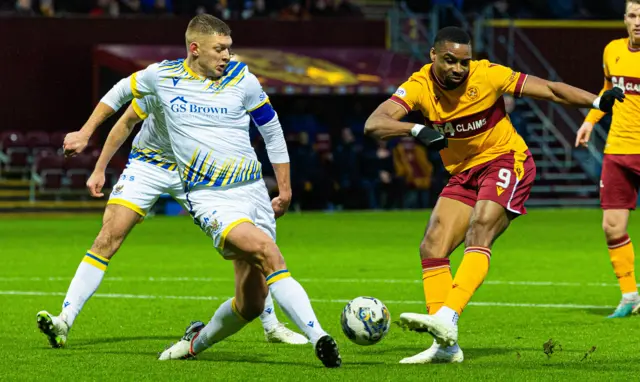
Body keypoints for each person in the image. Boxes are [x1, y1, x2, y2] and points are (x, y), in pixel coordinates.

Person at [63, 14, 341, 367]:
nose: (227, 55)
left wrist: (284, 189)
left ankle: (197, 342)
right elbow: (119, 94)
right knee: (268, 252)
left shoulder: (244, 79)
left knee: (252, 302)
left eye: (229, 48)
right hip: (212, 198)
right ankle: (321, 338)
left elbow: (272, 131)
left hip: (253, 191)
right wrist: (86, 133)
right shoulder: (163, 78)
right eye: (219, 49)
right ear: (195, 49)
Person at [364, 26, 624, 364]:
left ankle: (446, 318)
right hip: (463, 173)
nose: (459, 68)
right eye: (450, 60)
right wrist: (415, 129)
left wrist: (595, 100)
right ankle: (445, 347)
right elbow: (375, 123)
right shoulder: (418, 86)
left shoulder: (487, 75)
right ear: (433, 56)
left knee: (480, 229)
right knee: (432, 245)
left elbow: (548, 90)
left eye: (464, 61)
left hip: (506, 160)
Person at [36, 94, 308, 348]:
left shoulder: (224, 90)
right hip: (148, 165)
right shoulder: (165, 81)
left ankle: (271, 325)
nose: (223, 61)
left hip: (194, 171)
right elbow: (127, 121)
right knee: (108, 236)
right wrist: (99, 169)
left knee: (243, 243)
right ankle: (65, 320)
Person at [575, 0, 640, 318]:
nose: (638, 21)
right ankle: (630, 296)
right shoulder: (612, 50)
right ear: (624, 19)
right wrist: (590, 120)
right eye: (633, 15)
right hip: (617, 149)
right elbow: (607, 90)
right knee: (612, 227)